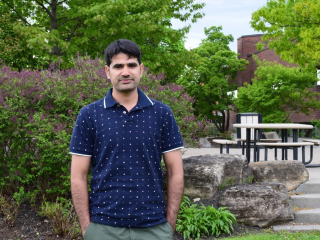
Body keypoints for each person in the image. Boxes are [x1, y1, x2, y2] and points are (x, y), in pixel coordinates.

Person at [69, 39, 184, 240]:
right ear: (107, 71)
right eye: (118, 66)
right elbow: (78, 177)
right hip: (103, 228)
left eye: (131, 65)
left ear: (141, 69)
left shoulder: (162, 113)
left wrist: (169, 225)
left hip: (154, 227)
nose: (125, 72)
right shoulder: (89, 115)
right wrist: (88, 229)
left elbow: (176, 172)